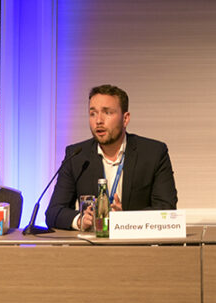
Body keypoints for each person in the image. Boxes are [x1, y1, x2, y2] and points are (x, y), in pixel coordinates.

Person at [45, 84, 177, 231]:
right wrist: (80, 220)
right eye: (93, 113)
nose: (98, 121)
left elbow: (166, 209)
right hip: (91, 249)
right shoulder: (76, 156)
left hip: (137, 248)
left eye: (107, 113)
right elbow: (53, 212)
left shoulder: (153, 153)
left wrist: (125, 221)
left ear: (125, 118)